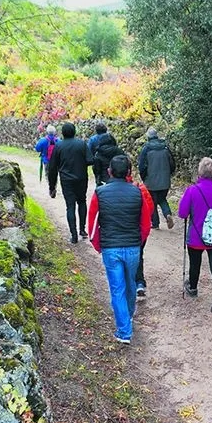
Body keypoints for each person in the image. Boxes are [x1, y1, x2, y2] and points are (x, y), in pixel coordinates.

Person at [87, 155, 152, 344]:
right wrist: (138, 241)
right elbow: (146, 223)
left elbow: (92, 225)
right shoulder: (137, 192)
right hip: (133, 247)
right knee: (130, 283)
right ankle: (128, 317)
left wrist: (99, 246)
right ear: (129, 173)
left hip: (111, 248)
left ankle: (124, 331)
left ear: (109, 171)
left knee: (117, 289)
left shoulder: (100, 193)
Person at [178, 157, 212, 316]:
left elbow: (182, 213)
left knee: (195, 263)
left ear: (200, 172)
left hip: (196, 236)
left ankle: (193, 287)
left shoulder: (192, 190)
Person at [48, 122, 93, 244]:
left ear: (62, 133)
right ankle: (82, 230)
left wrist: (52, 186)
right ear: (74, 131)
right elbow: (90, 160)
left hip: (66, 180)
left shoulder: (59, 146)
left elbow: (52, 168)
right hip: (81, 178)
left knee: (70, 206)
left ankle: (73, 235)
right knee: (82, 202)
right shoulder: (82, 144)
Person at [138, 128, 176, 229]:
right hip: (165, 181)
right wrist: (168, 174)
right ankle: (167, 214)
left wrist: (144, 177)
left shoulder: (146, 149)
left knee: (152, 202)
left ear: (148, 137)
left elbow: (142, 166)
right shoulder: (165, 147)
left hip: (151, 181)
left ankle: (155, 224)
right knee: (162, 199)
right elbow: (172, 164)